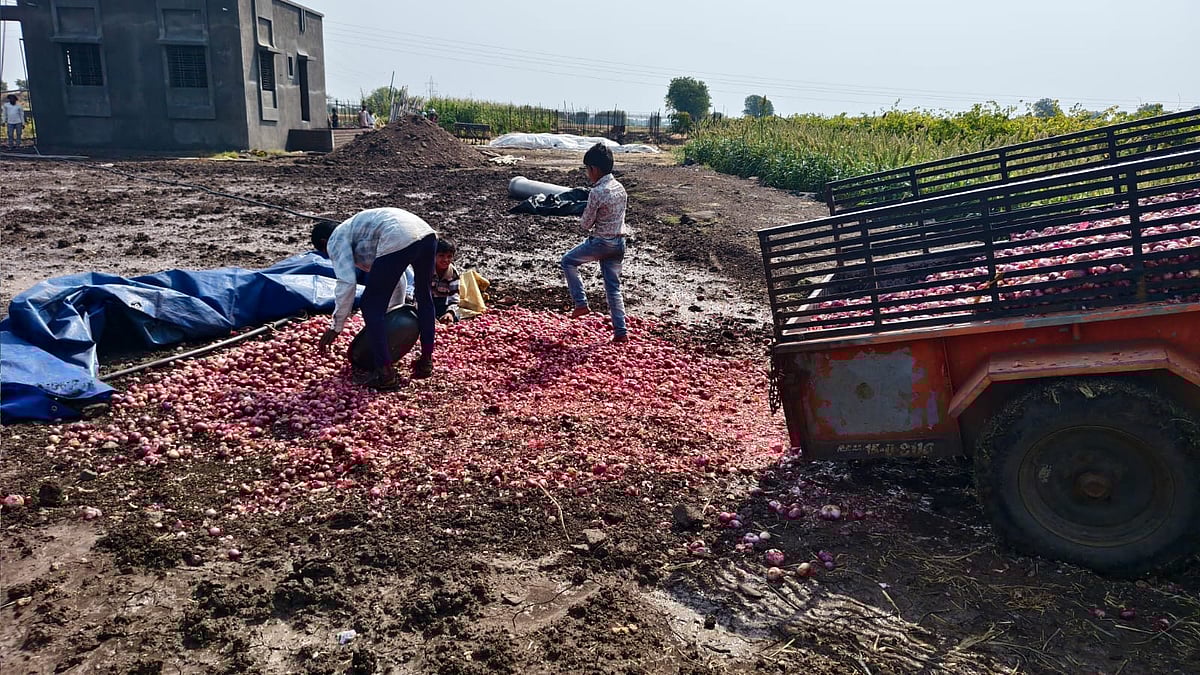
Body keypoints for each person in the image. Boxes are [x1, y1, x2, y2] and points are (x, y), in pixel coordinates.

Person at [311, 208, 437, 390]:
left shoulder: (335, 239)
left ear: (324, 243)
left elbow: (346, 282)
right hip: (427, 234)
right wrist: (394, 314)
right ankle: (426, 362)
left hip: (398, 234)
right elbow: (395, 276)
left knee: (370, 306)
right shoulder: (359, 232)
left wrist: (337, 325)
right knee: (424, 297)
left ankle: (385, 374)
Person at [560, 142, 629, 343]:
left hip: (601, 243)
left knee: (568, 261)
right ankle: (621, 332)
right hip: (618, 244)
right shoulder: (620, 188)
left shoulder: (597, 192)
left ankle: (580, 303)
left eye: (587, 170)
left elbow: (586, 224)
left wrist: (583, 211)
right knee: (613, 289)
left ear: (594, 169)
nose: (587, 174)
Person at [431, 238, 460, 324]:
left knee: (455, 318)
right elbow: (418, 295)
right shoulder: (426, 271)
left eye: (449, 256)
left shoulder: (453, 274)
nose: (445, 260)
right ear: (434, 255)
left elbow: (454, 298)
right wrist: (427, 314)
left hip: (442, 304)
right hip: (426, 303)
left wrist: (449, 313)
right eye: (441, 256)